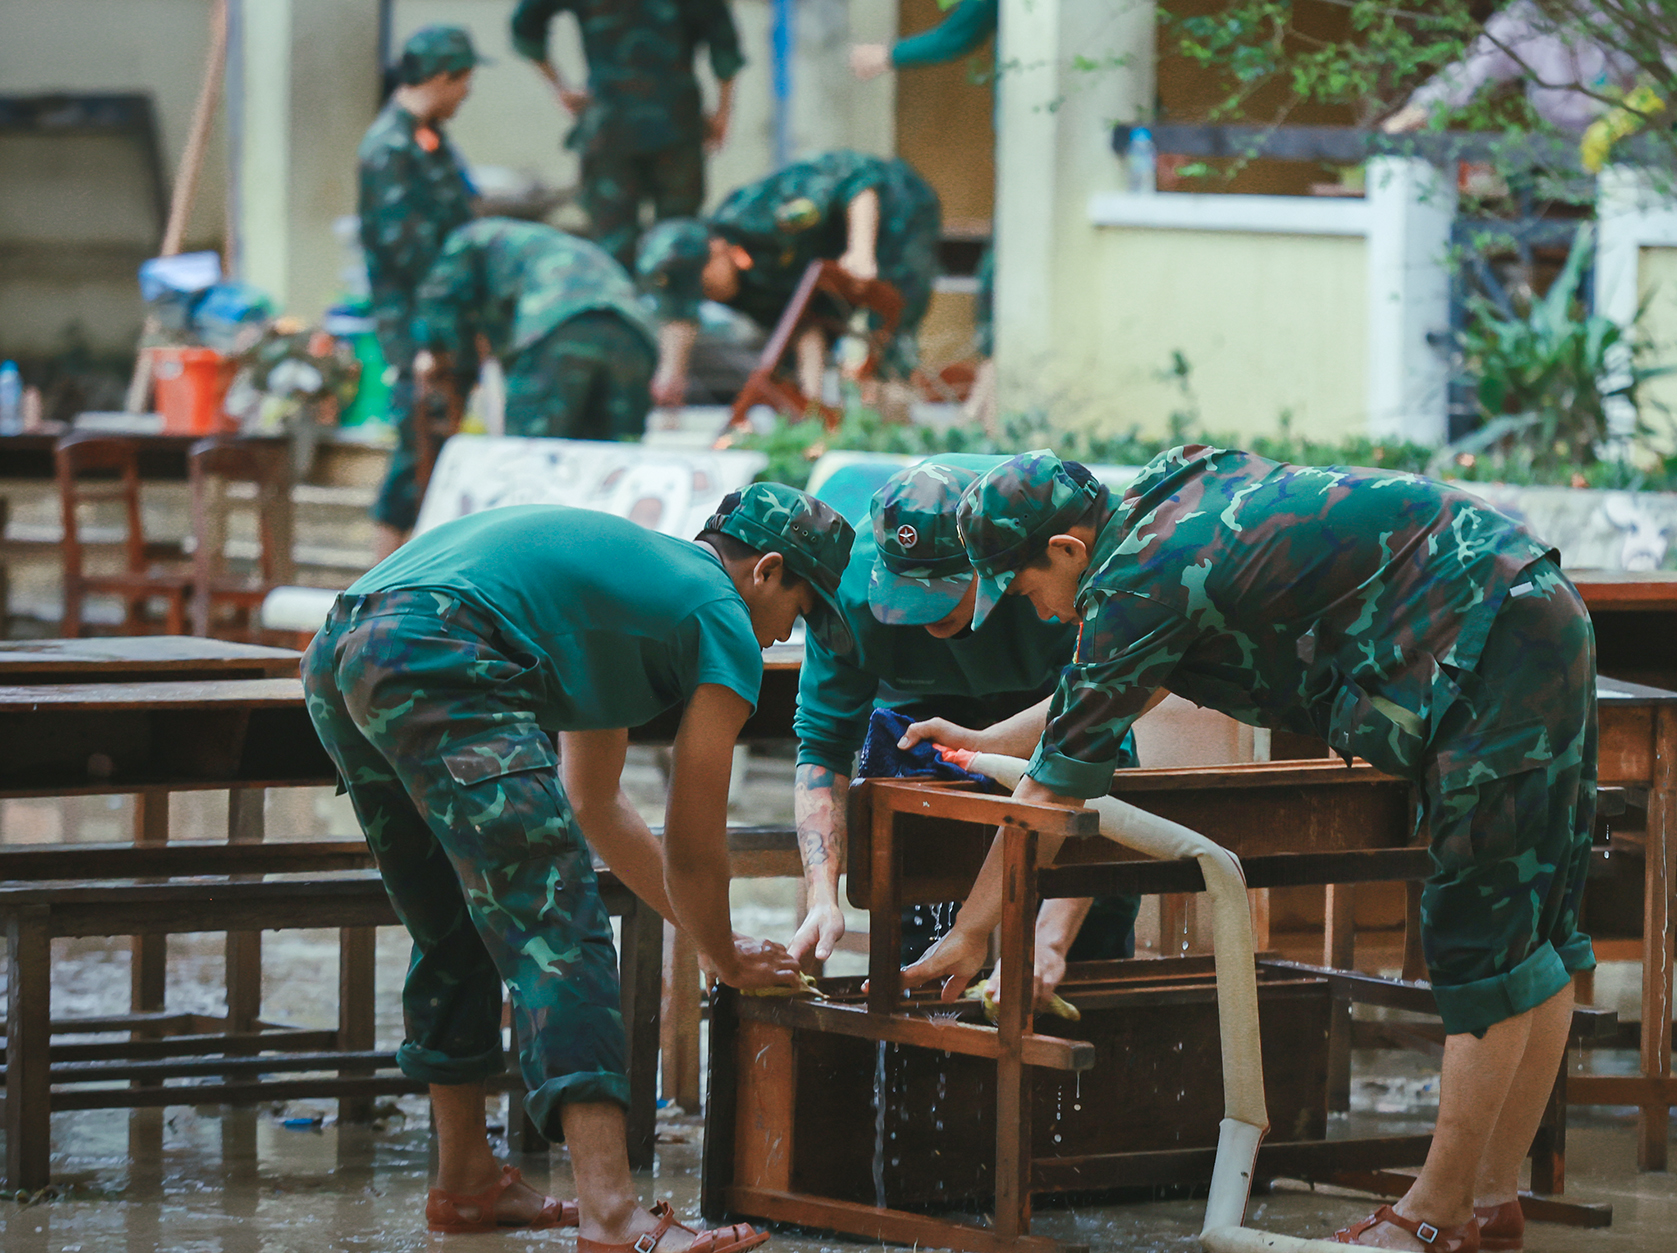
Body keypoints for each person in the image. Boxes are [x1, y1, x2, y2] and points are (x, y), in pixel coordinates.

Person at [905, 447, 1597, 1253]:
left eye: (1027, 591)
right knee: (1535, 929)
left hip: (1484, 647)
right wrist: (991, 739)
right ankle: (1489, 1200)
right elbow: (1137, 678)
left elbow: (1049, 798)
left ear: (1067, 550)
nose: (1044, 613)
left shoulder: (1134, 584)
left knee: (1483, 936)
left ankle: (1434, 1217)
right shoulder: (1169, 503)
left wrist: (971, 930)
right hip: (1530, 605)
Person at [302, 484, 852, 1252]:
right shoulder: (720, 614)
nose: (789, 635)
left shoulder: (639, 592)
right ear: (766, 570)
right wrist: (724, 954)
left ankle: (465, 1179)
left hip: (343, 643)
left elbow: (595, 801)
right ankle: (612, 1213)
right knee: (559, 925)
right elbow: (697, 844)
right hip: (439, 645)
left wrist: (709, 940)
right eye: (801, 610)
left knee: (458, 922)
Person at [786, 456, 1139, 998]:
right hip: (917, 705)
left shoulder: (1046, 562)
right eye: (908, 597)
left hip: (1051, 689)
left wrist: (1049, 940)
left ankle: (1072, 984)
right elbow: (822, 746)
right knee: (916, 877)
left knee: (1086, 917)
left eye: (941, 592)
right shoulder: (846, 590)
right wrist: (821, 895)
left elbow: (1098, 731)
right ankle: (923, 1021)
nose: (927, 616)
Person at [511, 0, 744, 266]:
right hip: (676, 123)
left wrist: (562, 87)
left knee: (612, 250)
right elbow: (724, 43)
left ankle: (618, 322)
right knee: (679, 247)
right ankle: (675, 322)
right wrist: (723, 113)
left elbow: (525, 28)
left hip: (608, 125)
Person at [849, 0, 1001, 425]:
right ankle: (983, 398)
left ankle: (989, 397)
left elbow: (961, 32)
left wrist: (885, 54)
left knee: (998, 269)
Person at [402, 218, 660, 526]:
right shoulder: (531, 245)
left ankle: (520, 560)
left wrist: (441, 357)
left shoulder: (466, 241)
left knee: (527, 464)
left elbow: (441, 307)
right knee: (613, 466)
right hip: (633, 334)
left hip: (557, 325)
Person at [637, 151, 940, 412]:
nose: (709, 297)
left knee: (887, 333)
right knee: (809, 374)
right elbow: (803, 322)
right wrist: (812, 403)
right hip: (826, 255)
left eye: (704, 286)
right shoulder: (741, 288)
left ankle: (891, 419)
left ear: (717, 249)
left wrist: (860, 253)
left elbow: (858, 179)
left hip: (893, 209)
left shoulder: (760, 216)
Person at [360, 24, 480, 562]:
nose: (468, 92)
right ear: (440, 77)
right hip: (418, 329)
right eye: (464, 80)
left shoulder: (429, 138)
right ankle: (372, 589)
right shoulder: (389, 149)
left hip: (448, 324)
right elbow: (408, 255)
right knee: (416, 456)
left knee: (439, 457)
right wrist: (430, 339)